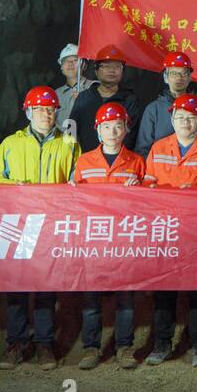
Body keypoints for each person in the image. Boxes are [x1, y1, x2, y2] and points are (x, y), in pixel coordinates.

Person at [0, 85, 82, 370]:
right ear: (28, 112)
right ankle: (15, 343)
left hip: (51, 225)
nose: (45, 114)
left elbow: (80, 180)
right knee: (16, 286)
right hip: (19, 224)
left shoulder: (69, 143)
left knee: (46, 287)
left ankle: (44, 345)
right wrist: (12, 186)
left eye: (50, 109)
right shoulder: (11, 144)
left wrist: (74, 186)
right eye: (39, 109)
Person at [144, 92, 197, 368]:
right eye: (180, 117)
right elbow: (148, 184)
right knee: (164, 290)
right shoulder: (158, 148)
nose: (185, 123)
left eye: (191, 118)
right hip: (166, 230)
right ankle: (161, 344)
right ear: (172, 119)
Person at [70, 102, 145, 370]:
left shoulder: (137, 162)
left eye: (117, 126)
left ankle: (124, 347)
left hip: (124, 239)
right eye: (106, 127)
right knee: (91, 297)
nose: (112, 132)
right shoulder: (84, 161)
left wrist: (141, 187)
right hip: (94, 239)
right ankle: (91, 348)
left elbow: (146, 204)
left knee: (126, 297)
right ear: (97, 131)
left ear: (126, 128)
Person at [134, 50, 197, 159]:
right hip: (161, 170)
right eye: (174, 73)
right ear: (165, 77)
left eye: (184, 73)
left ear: (190, 77)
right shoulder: (154, 109)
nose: (179, 78)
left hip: (194, 170)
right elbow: (143, 150)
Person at [67, 44, 142, 152]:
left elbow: (131, 135)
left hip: (119, 161)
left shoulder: (129, 99)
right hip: (87, 161)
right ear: (96, 71)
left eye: (117, 66)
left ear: (122, 71)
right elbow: (71, 130)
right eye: (106, 66)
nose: (112, 70)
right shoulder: (84, 97)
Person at [54, 43, 97, 130]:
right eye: (66, 61)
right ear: (61, 68)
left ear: (84, 65)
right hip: (63, 142)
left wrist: (85, 102)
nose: (70, 64)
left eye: (75, 60)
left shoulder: (95, 87)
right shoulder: (56, 94)